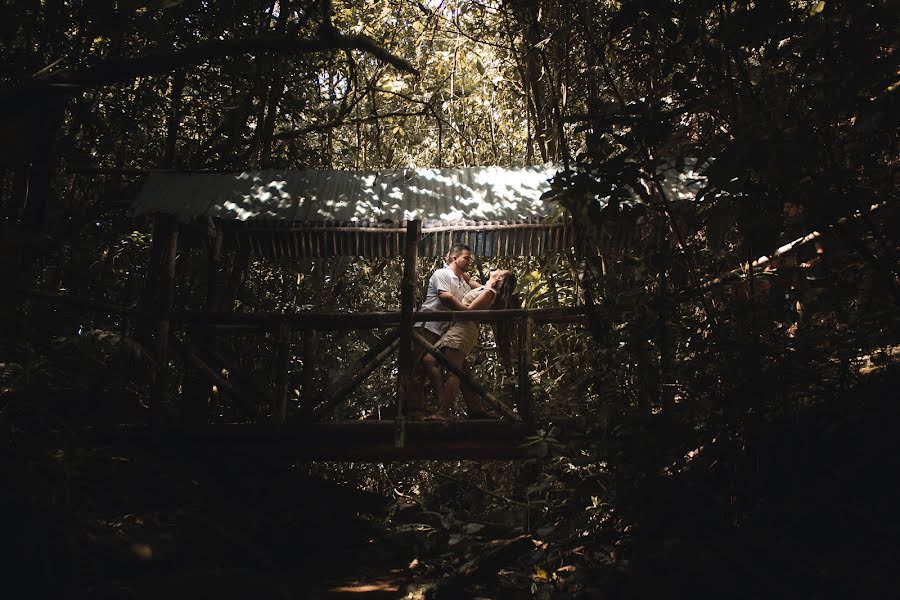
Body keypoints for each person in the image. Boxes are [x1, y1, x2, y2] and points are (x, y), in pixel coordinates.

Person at [424, 269, 518, 420]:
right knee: (429, 360)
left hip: (463, 330)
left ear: (499, 279)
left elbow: (470, 312)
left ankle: (443, 413)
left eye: (501, 270)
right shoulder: (485, 288)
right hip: (457, 328)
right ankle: (447, 403)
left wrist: (449, 298)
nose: (497, 268)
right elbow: (466, 279)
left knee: (453, 372)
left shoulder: (490, 292)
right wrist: (454, 265)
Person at [407, 243, 474, 417]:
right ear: (454, 258)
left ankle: (441, 408)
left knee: (439, 365)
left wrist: (469, 280)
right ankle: (414, 411)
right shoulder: (442, 274)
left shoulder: (463, 282)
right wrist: (467, 313)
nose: (469, 261)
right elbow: (446, 299)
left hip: (444, 330)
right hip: (427, 326)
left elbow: (482, 289)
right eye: (466, 258)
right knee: (417, 369)